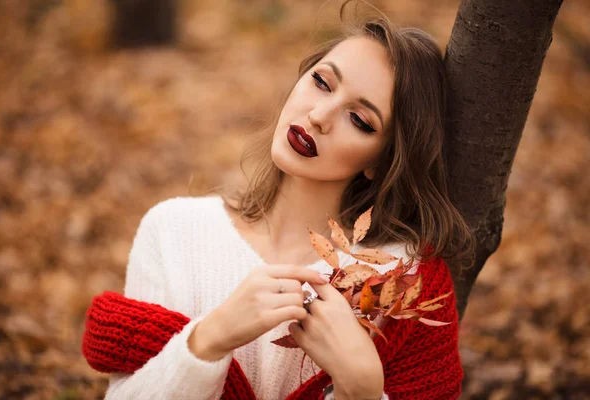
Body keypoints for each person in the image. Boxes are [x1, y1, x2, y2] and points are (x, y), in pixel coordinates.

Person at [82, 1, 474, 399]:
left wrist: (363, 390)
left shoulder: (406, 279)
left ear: (381, 159)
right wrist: (209, 339)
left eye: (360, 120)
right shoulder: (174, 232)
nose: (320, 115)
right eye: (322, 82)